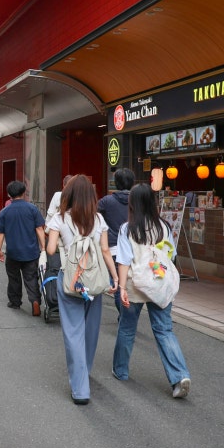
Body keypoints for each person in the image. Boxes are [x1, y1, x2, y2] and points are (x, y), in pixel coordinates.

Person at [113, 183, 191, 399]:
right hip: (158, 283)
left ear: (132, 204)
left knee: (127, 329)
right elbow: (171, 254)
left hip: (134, 285)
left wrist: (121, 288)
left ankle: (121, 371)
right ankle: (179, 376)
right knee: (164, 330)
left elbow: (124, 261)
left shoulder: (127, 229)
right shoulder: (164, 226)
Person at [45, 175, 118, 405]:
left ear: (69, 194)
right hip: (94, 281)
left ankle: (80, 389)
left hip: (70, 280)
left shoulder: (59, 218)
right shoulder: (98, 219)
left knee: (73, 332)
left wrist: (62, 243)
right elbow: (106, 251)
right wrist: (115, 277)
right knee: (91, 329)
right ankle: (84, 371)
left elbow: (49, 249)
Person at [0, 180, 46, 315]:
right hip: (31, 252)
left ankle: (15, 302)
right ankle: (35, 301)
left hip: (13, 252)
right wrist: (44, 248)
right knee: (31, 278)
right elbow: (40, 229)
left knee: (14, 278)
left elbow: (1, 233)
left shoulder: (5, 211)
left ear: (9, 194)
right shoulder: (32, 209)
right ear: (24, 193)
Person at [98, 168, 135, 311]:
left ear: (116, 183)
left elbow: (95, 218)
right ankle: (129, 309)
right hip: (134, 247)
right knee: (133, 281)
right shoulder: (138, 201)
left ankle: (124, 313)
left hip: (113, 248)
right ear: (132, 183)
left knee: (119, 281)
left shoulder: (106, 201)